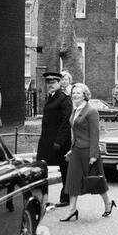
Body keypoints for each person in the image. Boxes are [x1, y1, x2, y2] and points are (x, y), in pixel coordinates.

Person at [60, 83, 115, 221]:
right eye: (73, 93)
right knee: (72, 180)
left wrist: (93, 155)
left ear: (85, 95)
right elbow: (76, 132)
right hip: (77, 151)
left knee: (96, 181)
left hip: (88, 152)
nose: (74, 95)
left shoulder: (91, 111)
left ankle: (108, 203)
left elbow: (95, 135)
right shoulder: (75, 110)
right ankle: (72, 210)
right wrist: (71, 150)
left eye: (78, 93)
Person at [36, 72, 72, 207]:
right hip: (46, 141)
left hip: (59, 142)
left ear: (59, 83)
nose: (50, 85)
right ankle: (43, 199)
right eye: (48, 83)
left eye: (53, 83)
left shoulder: (64, 98)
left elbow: (66, 123)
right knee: (41, 168)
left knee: (64, 169)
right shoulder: (50, 97)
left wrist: (59, 142)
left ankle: (66, 198)